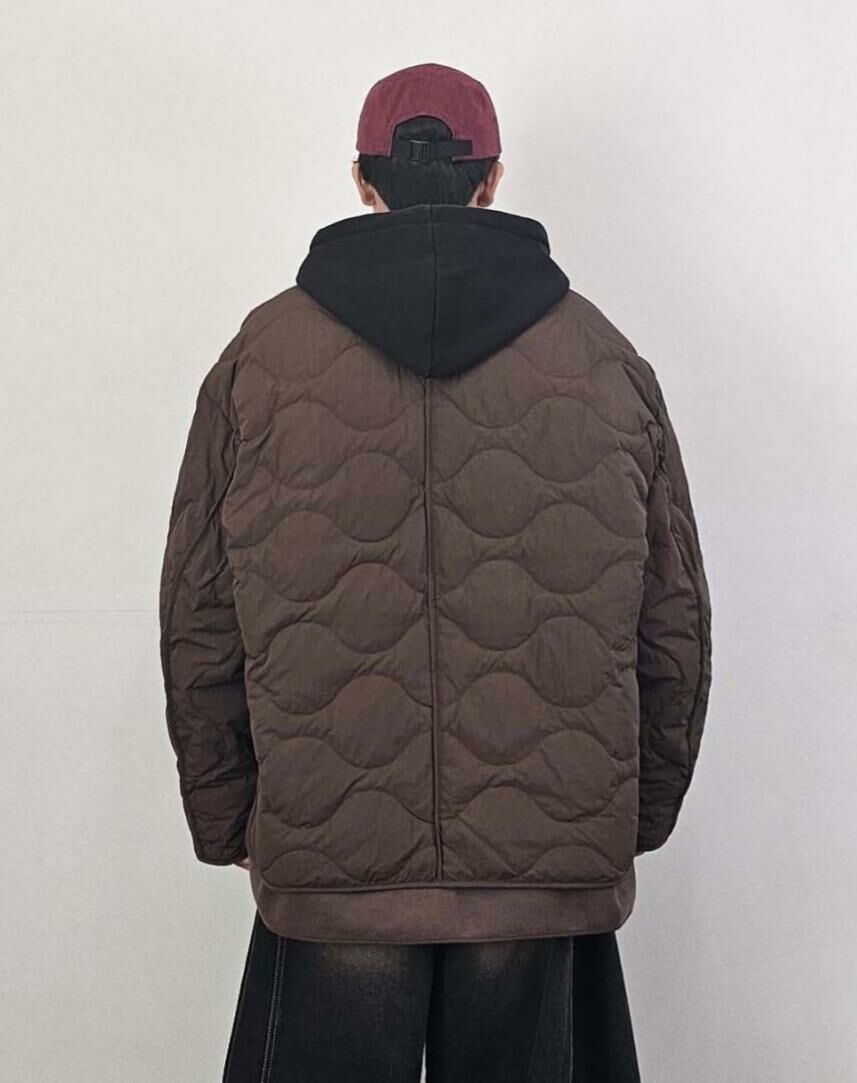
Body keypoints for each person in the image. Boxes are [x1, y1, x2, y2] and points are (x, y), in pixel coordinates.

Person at [158, 61, 712, 1082]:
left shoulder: (259, 360)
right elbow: (671, 617)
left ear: (361, 180)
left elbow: (200, 612)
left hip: (333, 862)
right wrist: (630, 813)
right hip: (543, 862)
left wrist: (227, 811)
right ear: (491, 179)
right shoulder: (603, 360)